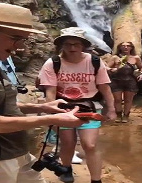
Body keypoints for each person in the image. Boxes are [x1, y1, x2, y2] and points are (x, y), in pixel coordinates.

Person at [0, 2, 88, 182]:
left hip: (19, 152)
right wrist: (51, 119)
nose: (21, 47)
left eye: (24, 40)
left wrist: (43, 107)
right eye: (15, 38)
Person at [38, 27, 117, 183]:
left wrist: (112, 109)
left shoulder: (94, 61)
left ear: (83, 45)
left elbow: (104, 88)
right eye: (68, 44)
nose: (72, 48)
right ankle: (66, 169)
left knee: (90, 144)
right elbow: (50, 91)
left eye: (76, 44)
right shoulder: (53, 63)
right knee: (67, 143)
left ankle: (96, 179)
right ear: (61, 45)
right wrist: (53, 113)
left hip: (89, 106)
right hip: (63, 107)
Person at [107, 42, 142, 123]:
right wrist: (111, 69)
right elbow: (106, 67)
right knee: (117, 99)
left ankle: (126, 115)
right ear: (120, 47)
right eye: (123, 46)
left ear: (131, 48)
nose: (126, 47)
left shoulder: (136, 58)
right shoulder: (115, 57)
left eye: (128, 46)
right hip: (116, 80)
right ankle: (118, 115)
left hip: (130, 81)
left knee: (128, 100)